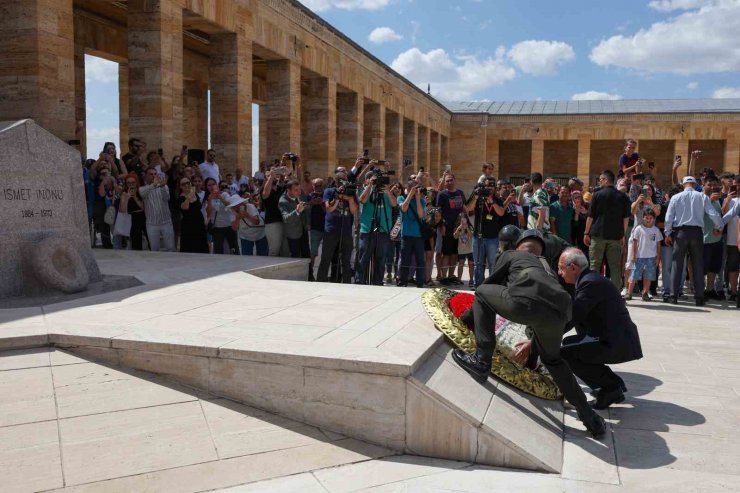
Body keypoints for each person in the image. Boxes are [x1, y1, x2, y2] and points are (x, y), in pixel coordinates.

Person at [452, 230, 606, 438]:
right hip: (558, 316)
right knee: (554, 361)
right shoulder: (548, 267)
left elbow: (489, 288)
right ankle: (590, 417)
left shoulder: (510, 255)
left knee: (481, 293)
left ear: (517, 245)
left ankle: (481, 360)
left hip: (525, 303)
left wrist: (464, 318)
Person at [558, 248, 642, 410]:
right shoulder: (588, 279)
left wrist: (541, 339)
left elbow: (573, 317)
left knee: (566, 354)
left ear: (573, 268)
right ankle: (614, 385)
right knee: (570, 343)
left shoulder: (590, 283)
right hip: (612, 338)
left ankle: (610, 389)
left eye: (562, 268)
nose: (560, 273)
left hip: (616, 342)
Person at [664, 176, 723, 306]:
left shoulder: (675, 197)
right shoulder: (702, 197)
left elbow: (669, 217)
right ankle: (699, 297)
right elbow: (713, 214)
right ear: (695, 184)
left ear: (683, 184)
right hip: (697, 233)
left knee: (677, 265)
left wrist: (667, 233)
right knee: (698, 265)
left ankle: (673, 296)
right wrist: (719, 227)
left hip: (680, 233)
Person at [584, 170, 631, 289]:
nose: (599, 182)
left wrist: (586, 233)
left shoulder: (597, 194)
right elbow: (625, 219)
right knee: (615, 266)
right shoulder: (622, 196)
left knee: (595, 265)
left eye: (600, 179)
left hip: (598, 235)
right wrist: (623, 235)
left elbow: (590, 216)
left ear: (606, 180)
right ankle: (615, 293)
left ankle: (593, 290)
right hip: (615, 237)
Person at [356, 166, 397, 285]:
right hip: (367, 230)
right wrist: (370, 186)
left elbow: (394, 204)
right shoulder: (365, 190)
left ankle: (378, 282)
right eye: (372, 179)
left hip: (383, 230)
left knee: (381, 259)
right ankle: (360, 281)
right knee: (363, 258)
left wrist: (388, 190)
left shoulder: (385, 192)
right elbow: (362, 200)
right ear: (367, 180)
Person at [317, 168, 358, 283]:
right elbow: (329, 209)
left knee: (346, 260)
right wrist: (337, 198)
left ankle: (346, 282)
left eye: (344, 180)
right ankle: (321, 281)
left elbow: (354, 211)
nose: (342, 182)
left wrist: (349, 199)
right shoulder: (329, 191)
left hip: (345, 231)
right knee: (326, 258)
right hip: (331, 230)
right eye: (340, 180)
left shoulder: (351, 192)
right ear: (336, 181)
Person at [466, 177, 506, 287]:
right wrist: (476, 196)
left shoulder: (497, 199)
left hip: (492, 237)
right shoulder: (478, 196)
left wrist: (491, 201)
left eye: (492, 186)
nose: (489, 188)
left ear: (495, 188)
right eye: (487, 185)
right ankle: (478, 285)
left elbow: (501, 212)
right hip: (478, 236)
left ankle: (491, 286)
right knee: (478, 263)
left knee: (492, 264)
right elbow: (468, 208)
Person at [625, 209, 662, 301]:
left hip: (651, 257)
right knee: (634, 275)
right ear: (643, 218)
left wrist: (658, 257)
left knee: (648, 276)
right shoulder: (638, 229)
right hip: (639, 256)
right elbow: (634, 242)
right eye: (646, 218)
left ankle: (645, 292)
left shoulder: (656, 230)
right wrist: (634, 255)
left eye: (650, 218)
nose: (648, 220)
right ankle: (629, 293)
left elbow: (658, 244)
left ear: (653, 219)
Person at [436, 173, 466, 282]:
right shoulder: (442, 194)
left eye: (451, 180)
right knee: (446, 253)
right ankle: (443, 276)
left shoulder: (460, 193)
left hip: (458, 228)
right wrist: (441, 225)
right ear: (444, 182)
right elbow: (438, 211)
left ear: (455, 180)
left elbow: (464, 208)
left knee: (455, 253)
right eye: (447, 181)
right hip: (447, 227)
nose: (449, 182)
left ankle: (451, 275)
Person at [397, 178, 427, 288]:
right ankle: (402, 281)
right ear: (409, 189)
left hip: (418, 236)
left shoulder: (422, 201)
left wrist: (418, 199)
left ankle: (420, 282)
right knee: (405, 260)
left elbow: (420, 215)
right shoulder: (401, 198)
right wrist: (410, 195)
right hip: (406, 235)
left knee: (420, 260)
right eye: (414, 188)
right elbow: (404, 209)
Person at [139, 167, 175, 252]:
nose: (153, 176)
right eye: (150, 174)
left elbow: (167, 198)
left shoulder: (164, 186)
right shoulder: (142, 188)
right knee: (154, 249)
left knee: (170, 248)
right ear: (146, 176)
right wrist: (154, 185)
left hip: (166, 221)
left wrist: (162, 187)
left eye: (155, 174)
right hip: (151, 223)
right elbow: (142, 194)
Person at [701, 175, 725, 300]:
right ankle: (699, 290)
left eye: (714, 185)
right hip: (704, 239)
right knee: (702, 267)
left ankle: (709, 290)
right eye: (709, 184)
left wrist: (719, 229)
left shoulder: (718, 199)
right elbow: (698, 213)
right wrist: (709, 200)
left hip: (716, 238)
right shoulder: (700, 197)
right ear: (704, 184)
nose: (712, 187)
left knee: (714, 267)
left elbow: (720, 216)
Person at [279, 180, 310, 259]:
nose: (299, 192)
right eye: (296, 190)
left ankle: (309, 271)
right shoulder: (283, 202)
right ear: (288, 190)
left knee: (306, 256)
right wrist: (297, 211)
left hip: (303, 231)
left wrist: (307, 222)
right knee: (296, 258)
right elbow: (286, 218)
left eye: (299, 189)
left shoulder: (299, 194)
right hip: (293, 234)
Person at [177, 177, 208, 253]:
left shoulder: (195, 194)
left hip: (199, 223)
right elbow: (185, 207)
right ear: (180, 187)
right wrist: (188, 198)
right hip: (188, 225)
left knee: (201, 245)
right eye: (183, 184)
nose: (186, 185)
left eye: (188, 183)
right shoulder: (180, 197)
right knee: (189, 247)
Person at [206, 182, 238, 254]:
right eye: (209, 185)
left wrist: (220, 197)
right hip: (217, 227)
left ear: (217, 186)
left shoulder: (225, 194)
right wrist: (210, 200)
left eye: (213, 184)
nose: (211, 187)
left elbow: (230, 205)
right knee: (218, 250)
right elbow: (208, 213)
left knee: (234, 248)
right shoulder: (209, 198)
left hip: (229, 225)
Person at [118, 173, 147, 250]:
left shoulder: (141, 191)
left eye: (133, 182)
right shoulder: (124, 193)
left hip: (143, 216)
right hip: (132, 218)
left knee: (149, 238)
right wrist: (127, 198)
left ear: (136, 182)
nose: (131, 185)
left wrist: (135, 197)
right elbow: (123, 210)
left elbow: (143, 207)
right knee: (136, 242)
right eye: (129, 183)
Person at [307, 178, 326, 281]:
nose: (318, 188)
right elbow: (305, 210)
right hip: (315, 227)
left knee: (326, 253)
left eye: (319, 186)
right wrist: (311, 203)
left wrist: (321, 203)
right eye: (316, 186)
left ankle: (323, 275)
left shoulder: (326, 195)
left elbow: (328, 210)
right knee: (313, 252)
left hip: (326, 227)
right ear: (313, 186)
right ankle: (310, 274)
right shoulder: (309, 196)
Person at [453, 212, 475, 288]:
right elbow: (455, 237)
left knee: (471, 264)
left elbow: (471, 236)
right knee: (461, 264)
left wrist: (467, 228)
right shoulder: (458, 227)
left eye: (464, 220)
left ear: (466, 220)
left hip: (470, 250)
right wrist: (459, 228)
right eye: (461, 220)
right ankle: (459, 279)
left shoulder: (470, 227)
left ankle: (471, 279)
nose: (462, 221)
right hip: (461, 250)